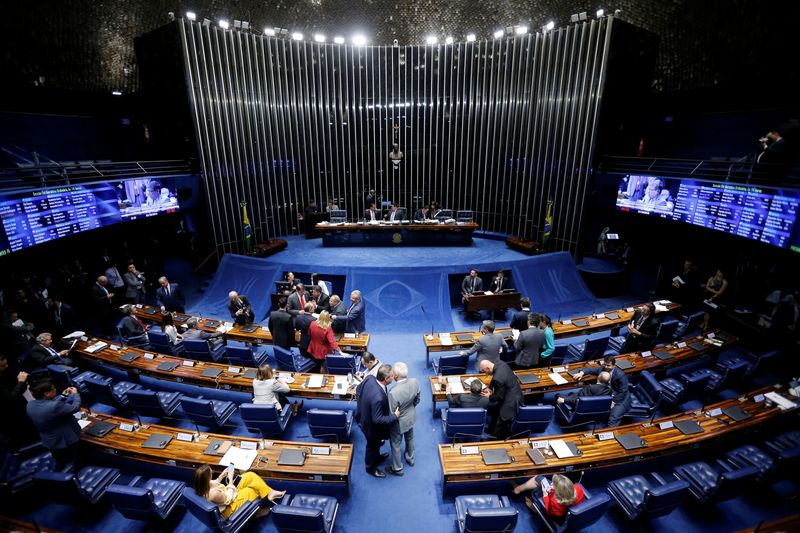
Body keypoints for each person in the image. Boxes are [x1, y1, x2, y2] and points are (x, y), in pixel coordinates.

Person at [355, 364, 400, 478]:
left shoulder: (370, 378)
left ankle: (377, 457)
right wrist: (394, 416)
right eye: (391, 376)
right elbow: (378, 420)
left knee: (377, 445)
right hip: (371, 427)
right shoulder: (379, 397)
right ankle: (370, 468)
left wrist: (361, 406)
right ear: (386, 379)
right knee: (372, 446)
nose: (393, 377)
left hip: (363, 417)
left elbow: (358, 389)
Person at [192, 465, 284, 519]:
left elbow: (215, 482)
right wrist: (230, 479)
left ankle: (270, 492)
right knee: (250, 489)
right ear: (206, 478)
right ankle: (257, 511)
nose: (212, 471)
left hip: (229, 493)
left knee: (249, 475)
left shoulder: (203, 484)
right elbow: (228, 498)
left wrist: (221, 476)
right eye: (210, 472)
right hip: (230, 507)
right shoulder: (213, 495)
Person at [27, 380, 82, 468]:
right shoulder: (55, 406)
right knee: (74, 462)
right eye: (53, 389)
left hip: (50, 441)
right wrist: (75, 394)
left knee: (61, 462)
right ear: (46, 393)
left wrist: (63, 396)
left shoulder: (30, 404)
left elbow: (48, 406)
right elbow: (75, 408)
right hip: (66, 441)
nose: (55, 389)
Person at [571, 355, 630, 427]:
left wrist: (614, 401)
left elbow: (623, 391)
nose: (606, 367)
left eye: (608, 365)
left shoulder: (620, 375)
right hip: (606, 392)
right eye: (605, 364)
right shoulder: (603, 368)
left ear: (614, 365)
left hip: (620, 398)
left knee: (614, 417)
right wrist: (581, 373)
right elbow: (591, 370)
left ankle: (609, 431)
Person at [386, 362, 420, 476]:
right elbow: (417, 399)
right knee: (410, 438)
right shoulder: (415, 381)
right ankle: (410, 459)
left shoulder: (393, 393)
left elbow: (392, 413)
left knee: (395, 444)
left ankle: (398, 468)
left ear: (395, 376)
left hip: (399, 422)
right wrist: (410, 408)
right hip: (411, 417)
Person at [479, 359, 522, 439]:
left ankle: (495, 438)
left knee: (502, 419)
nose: (485, 374)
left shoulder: (498, 378)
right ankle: (490, 429)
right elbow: (494, 378)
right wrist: (490, 387)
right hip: (512, 390)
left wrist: (489, 396)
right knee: (496, 411)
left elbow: (499, 396)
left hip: (511, 400)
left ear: (488, 368)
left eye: (484, 371)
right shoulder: (499, 363)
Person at [0, 355, 36, 450]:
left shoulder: (4, 373)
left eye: (6, 364)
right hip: (11, 415)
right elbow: (10, 398)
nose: (6, 366)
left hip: (19, 408)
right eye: (2, 365)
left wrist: (23, 384)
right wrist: (21, 382)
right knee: (24, 435)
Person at [513, 474, 585, 521]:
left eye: (553, 485)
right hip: (566, 502)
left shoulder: (554, 501)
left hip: (556, 511)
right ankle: (518, 489)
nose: (551, 484)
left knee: (536, 488)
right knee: (539, 479)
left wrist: (545, 495)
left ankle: (534, 508)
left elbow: (549, 512)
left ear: (559, 492)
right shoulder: (578, 489)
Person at [294, 302, 317, 367]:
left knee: (303, 358)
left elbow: (297, 328)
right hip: (311, 343)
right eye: (313, 308)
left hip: (302, 341)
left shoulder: (298, 317)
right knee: (312, 359)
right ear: (310, 309)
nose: (314, 309)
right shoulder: (314, 319)